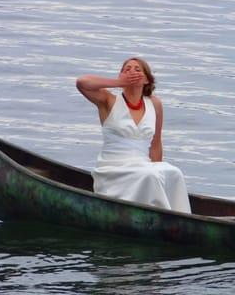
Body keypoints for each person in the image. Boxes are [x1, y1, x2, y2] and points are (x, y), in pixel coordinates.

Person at [76, 57, 191, 213]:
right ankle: (160, 217)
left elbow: (156, 144)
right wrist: (119, 82)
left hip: (143, 165)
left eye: (137, 70)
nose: (132, 72)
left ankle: (180, 217)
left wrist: (156, 167)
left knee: (173, 173)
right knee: (150, 176)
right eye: (127, 69)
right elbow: (82, 82)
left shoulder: (155, 104)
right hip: (114, 168)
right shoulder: (108, 100)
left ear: (146, 80)